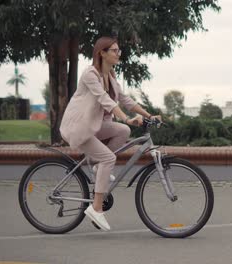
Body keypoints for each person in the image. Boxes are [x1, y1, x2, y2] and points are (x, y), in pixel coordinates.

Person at [60, 36, 161, 231]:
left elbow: (125, 99)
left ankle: (99, 170)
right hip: (80, 128)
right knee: (108, 158)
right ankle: (96, 209)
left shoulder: (111, 75)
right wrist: (126, 117)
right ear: (102, 53)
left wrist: (149, 115)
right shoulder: (90, 74)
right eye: (114, 50)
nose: (118, 53)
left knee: (123, 131)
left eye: (118, 50)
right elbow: (105, 100)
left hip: (95, 125)